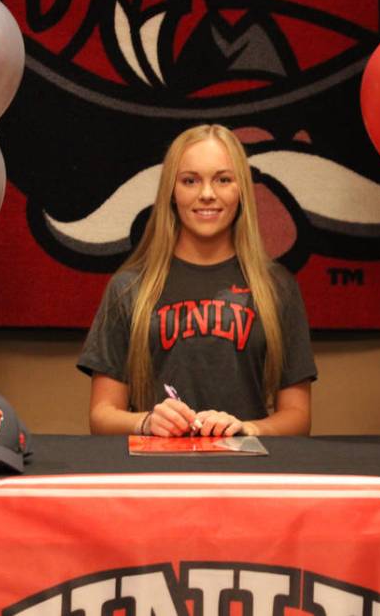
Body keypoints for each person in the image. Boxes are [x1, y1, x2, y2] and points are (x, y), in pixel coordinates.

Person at [78, 124, 317, 437]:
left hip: (245, 474)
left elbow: (298, 418)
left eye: (223, 180)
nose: (207, 194)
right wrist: (147, 422)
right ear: (172, 192)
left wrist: (247, 428)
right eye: (190, 181)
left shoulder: (277, 286)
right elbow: (101, 416)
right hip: (156, 476)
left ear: (241, 189)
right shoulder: (129, 287)